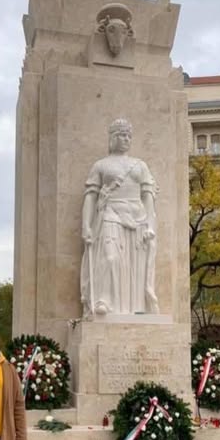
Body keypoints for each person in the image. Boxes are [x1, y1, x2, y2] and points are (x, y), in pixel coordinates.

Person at [80, 118, 160, 316]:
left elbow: (148, 195)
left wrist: (150, 225)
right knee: (110, 258)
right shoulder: (100, 165)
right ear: (113, 137)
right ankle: (104, 300)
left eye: (128, 136)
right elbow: (91, 196)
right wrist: (86, 226)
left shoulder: (140, 165)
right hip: (110, 213)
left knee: (134, 266)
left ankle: (134, 307)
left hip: (138, 217)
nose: (126, 139)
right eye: (122, 135)